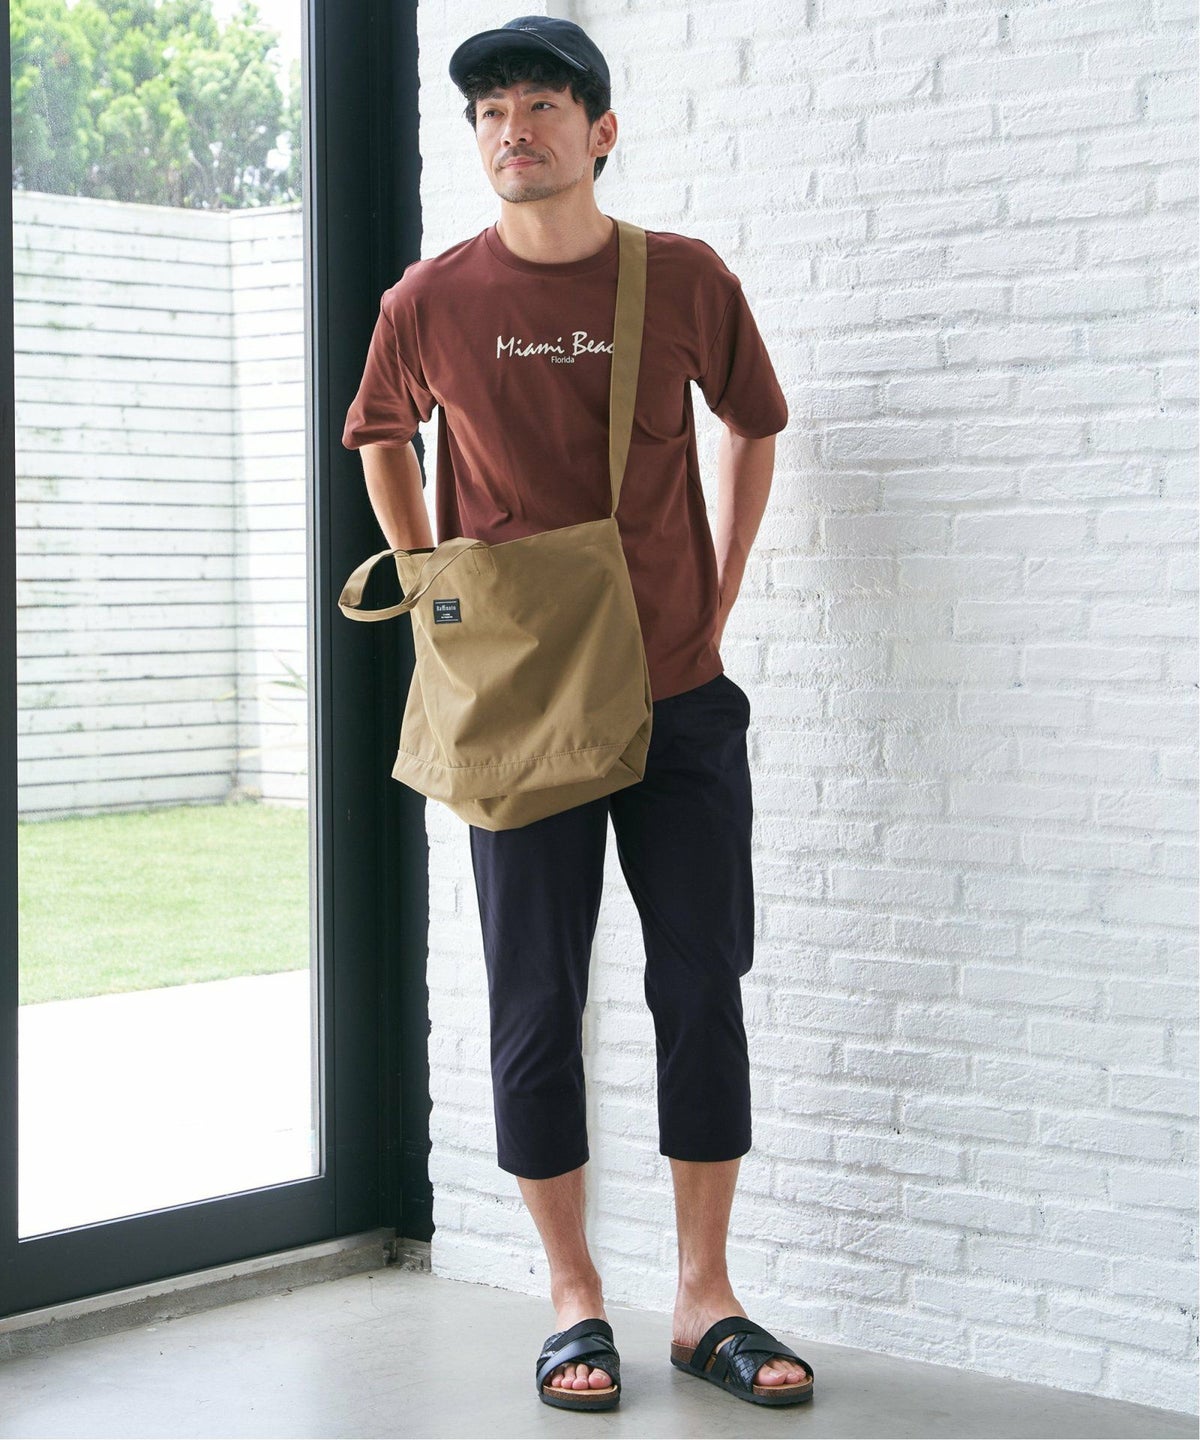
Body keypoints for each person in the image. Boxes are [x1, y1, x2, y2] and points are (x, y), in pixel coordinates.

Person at [342, 14, 814, 1415]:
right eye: (490, 110)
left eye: (542, 104)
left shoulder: (684, 278)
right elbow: (379, 432)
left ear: (601, 132)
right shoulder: (429, 298)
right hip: (523, 707)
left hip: (679, 698)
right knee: (536, 997)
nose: (513, 129)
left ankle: (704, 1298)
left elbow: (755, 419)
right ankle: (572, 1299)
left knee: (702, 985)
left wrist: (722, 586)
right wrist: (431, 583)